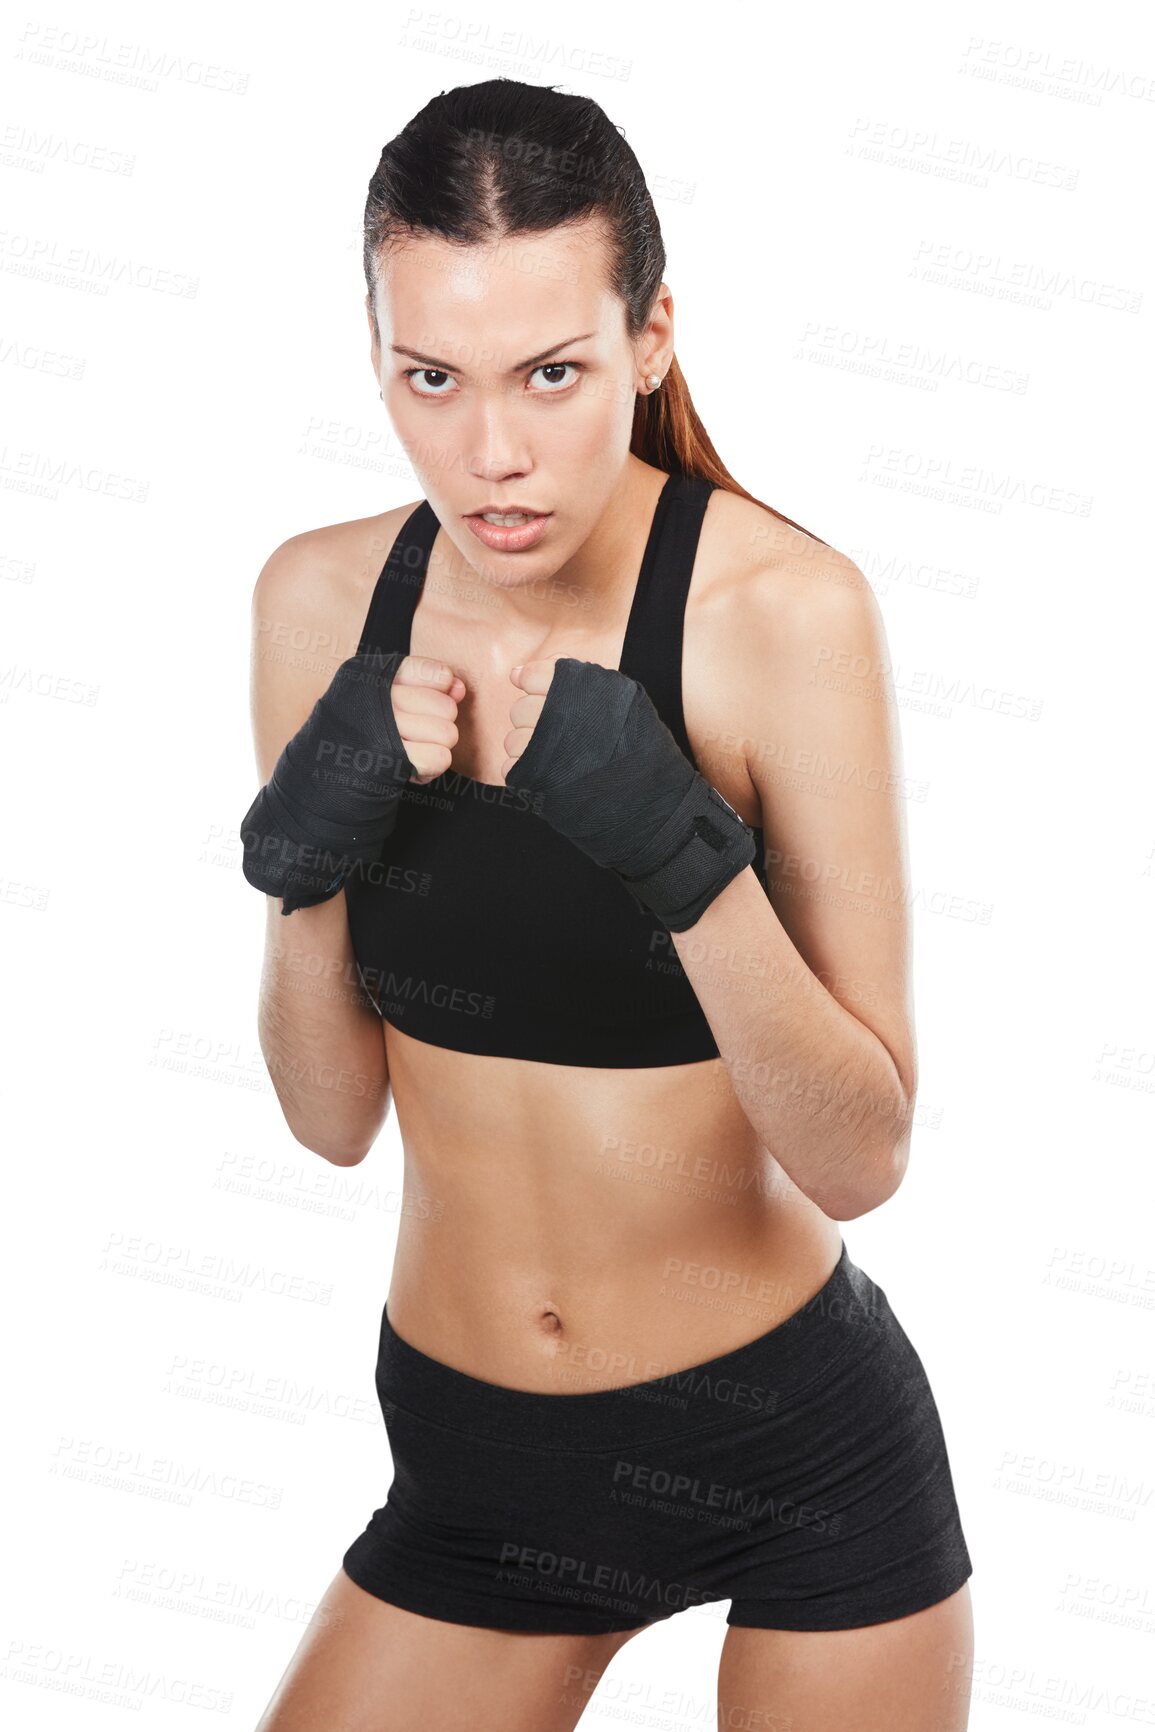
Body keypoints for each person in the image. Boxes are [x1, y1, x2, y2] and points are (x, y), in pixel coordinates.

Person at [241, 78, 974, 1732]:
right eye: (431, 379)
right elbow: (328, 1120)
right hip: (477, 1475)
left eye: (551, 375)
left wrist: (683, 864)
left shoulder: (781, 611)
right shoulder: (318, 604)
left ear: (648, 339)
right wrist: (304, 873)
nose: (491, 453)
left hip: (790, 1456)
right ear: (378, 360)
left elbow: (861, 1156)